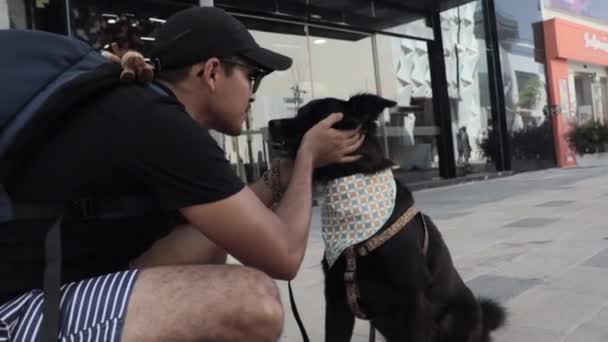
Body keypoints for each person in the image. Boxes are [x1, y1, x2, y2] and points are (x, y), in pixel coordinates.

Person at [0, 7, 363, 342]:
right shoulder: (157, 123)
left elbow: (222, 231)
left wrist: (279, 179)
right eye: (252, 77)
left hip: (47, 290)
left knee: (209, 247)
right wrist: (308, 159)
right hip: (15, 313)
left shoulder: (141, 111)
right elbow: (283, 256)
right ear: (212, 72)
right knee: (253, 301)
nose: (252, 96)